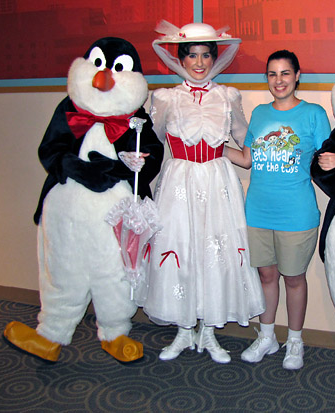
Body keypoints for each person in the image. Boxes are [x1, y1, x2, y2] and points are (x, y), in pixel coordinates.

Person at [134, 21, 265, 364]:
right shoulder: (165, 98)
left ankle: (208, 330)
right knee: (180, 249)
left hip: (218, 182)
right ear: (180, 59)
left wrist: (265, 146)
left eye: (206, 55)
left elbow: (244, 137)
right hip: (179, 183)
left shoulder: (228, 96)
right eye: (192, 55)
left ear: (214, 58)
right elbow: (153, 140)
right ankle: (182, 329)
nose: (199, 62)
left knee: (215, 251)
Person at [225, 50, 335, 369]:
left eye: (284, 73)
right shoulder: (260, 115)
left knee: (293, 278)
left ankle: (294, 340)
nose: (278, 81)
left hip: (297, 214)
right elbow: (247, 159)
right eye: (272, 74)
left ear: (297, 76)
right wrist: (211, 146)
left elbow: (331, 155)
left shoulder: (313, 114)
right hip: (258, 212)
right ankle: (267, 336)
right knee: (266, 275)